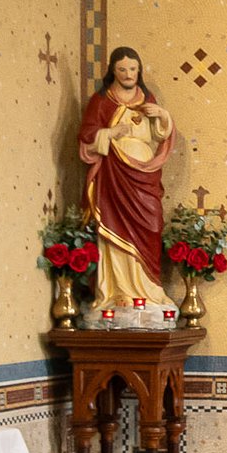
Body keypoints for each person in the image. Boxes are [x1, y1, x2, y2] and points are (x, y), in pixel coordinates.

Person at [76, 47, 175, 309]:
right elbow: (86, 137)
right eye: (122, 69)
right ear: (113, 71)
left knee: (151, 225)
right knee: (114, 228)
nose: (128, 74)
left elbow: (160, 135)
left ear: (139, 71)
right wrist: (110, 133)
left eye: (133, 69)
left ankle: (150, 290)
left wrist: (163, 117)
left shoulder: (147, 97)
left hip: (144, 173)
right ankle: (117, 292)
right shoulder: (102, 101)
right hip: (114, 175)